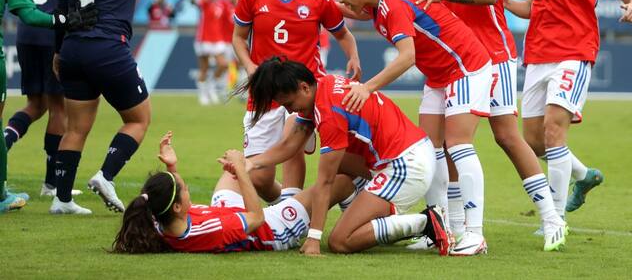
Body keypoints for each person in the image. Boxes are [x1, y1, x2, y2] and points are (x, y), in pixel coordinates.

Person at [408, 0, 566, 250]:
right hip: (456, 60)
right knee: (444, 143)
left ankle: (551, 217)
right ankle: (448, 229)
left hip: (493, 55)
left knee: (507, 136)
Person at [332, 0, 490, 256]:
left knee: (457, 146)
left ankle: (474, 233)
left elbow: (407, 57)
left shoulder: (391, 1)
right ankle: (444, 229)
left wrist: (367, 88)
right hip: (439, 75)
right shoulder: (381, 0)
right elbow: (362, 13)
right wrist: (323, 5)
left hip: (465, 65)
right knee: (430, 151)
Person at [504, 0, 632, 221]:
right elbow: (532, 9)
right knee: (534, 142)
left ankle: (555, 219)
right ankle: (584, 175)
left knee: (554, 130)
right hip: (537, 54)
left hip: (574, 53)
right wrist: (504, 1)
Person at [50, 0, 180, 215]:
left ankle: (61, 199)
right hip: (108, 48)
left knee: (75, 128)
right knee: (138, 119)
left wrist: (58, 51)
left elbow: (61, 11)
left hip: (73, 50)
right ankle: (105, 175)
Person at [243, 58, 450, 255]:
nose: (290, 110)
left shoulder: (329, 113)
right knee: (337, 161)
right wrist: (252, 163)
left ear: (304, 88)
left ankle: (426, 222)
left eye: (289, 104)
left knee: (340, 240)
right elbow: (290, 145)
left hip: (405, 165)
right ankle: (355, 208)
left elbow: (325, 181)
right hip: (409, 152)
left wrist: (314, 238)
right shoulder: (323, 85)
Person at [112, 131, 417, 254]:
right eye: (184, 190)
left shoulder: (159, 218)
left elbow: (177, 205)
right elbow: (255, 218)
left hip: (224, 212)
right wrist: (242, 172)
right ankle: (383, 211)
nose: (188, 189)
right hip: (271, 229)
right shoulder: (213, 229)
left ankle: (292, 196)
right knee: (340, 181)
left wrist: (173, 167)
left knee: (232, 173)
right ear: (178, 208)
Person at [232, 0, 361, 202]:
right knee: (260, 179)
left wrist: (353, 55)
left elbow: (343, 34)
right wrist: (249, 67)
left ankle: (291, 211)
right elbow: (238, 38)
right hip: (265, 90)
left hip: (305, 88)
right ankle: (287, 203)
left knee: (293, 144)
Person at [0, 0, 95, 213]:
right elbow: (27, 11)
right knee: (57, 107)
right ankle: (40, 186)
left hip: (26, 40)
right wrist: (64, 20)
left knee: (36, 104)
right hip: (41, 29)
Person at [192, 0, 228, 105]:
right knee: (204, 69)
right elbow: (193, 2)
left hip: (218, 39)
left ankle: (211, 86)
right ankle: (203, 95)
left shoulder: (221, 3)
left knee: (223, 64)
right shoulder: (205, 0)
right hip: (204, 39)